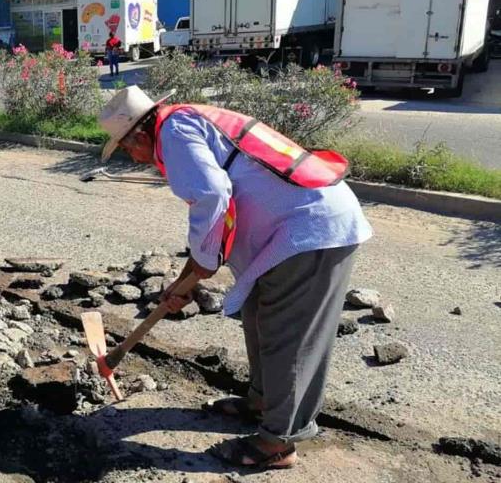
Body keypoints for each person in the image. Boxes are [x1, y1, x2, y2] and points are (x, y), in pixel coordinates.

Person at [97, 86, 372, 470]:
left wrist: (202, 265)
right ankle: (262, 402)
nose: (135, 158)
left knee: (288, 339)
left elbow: (212, 195)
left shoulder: (173, 131)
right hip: (289, 233)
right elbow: (220, 208)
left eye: (128, 148)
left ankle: (278, 442)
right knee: (258, 316)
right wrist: (186, 278)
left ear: (140, 134)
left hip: (311, 230)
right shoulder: (181, 121)